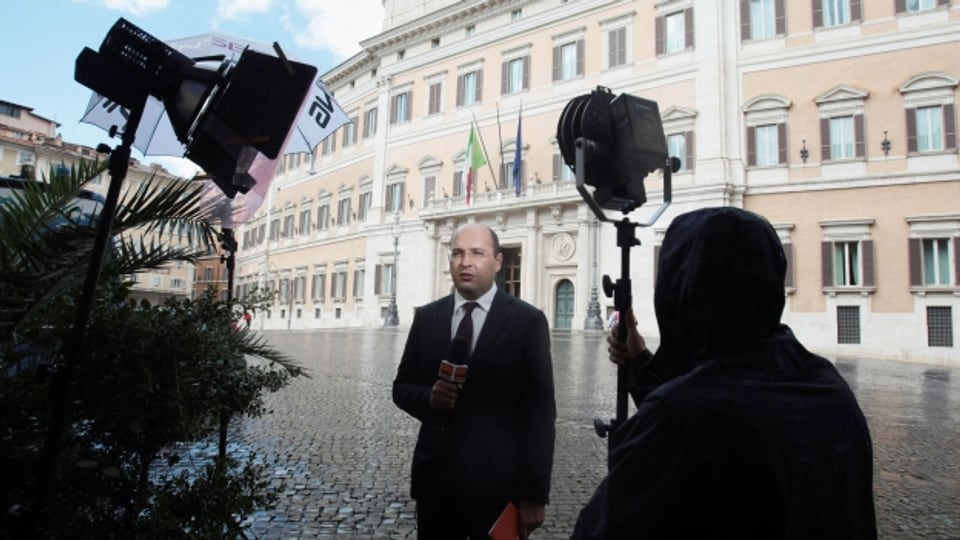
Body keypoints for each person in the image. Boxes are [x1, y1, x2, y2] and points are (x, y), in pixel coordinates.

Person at [572, 207, 877, 539]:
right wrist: (641, 363)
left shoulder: (681, 415)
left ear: (684, 291)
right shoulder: (831, 388)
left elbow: (604, 526)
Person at [393, 223, 556, 540]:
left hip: (498, 487)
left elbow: (540, 412)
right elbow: (401, 388)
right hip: (435, 485)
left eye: (477, 253)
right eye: (458, 253)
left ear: (498, 262)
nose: (465, 261)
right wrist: (430, 399)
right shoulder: (427, 318)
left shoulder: (528, 321)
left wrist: (535, 493)